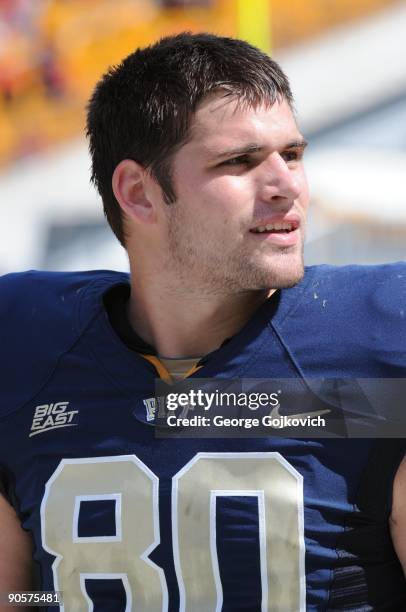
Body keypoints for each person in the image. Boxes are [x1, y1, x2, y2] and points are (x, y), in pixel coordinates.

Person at [0, 32, 405, 611]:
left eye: (291, 155)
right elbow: (20, 596)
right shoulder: (26, 346)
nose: (287, 186)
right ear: (138, 193)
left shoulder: (375, 347)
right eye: (238, 161)